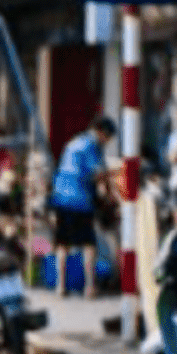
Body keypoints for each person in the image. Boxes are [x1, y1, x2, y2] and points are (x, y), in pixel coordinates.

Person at [49, 116, 116, 274]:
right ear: (102, 132)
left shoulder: (74, 142)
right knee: (88, 244)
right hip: (80, 199)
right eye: (108, 137)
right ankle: (90, 287)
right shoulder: (93, 145)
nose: (107, 141)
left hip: (60, 197)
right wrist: (118, 173)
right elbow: (99, 173)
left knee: (63, 242)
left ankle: (61, 286)